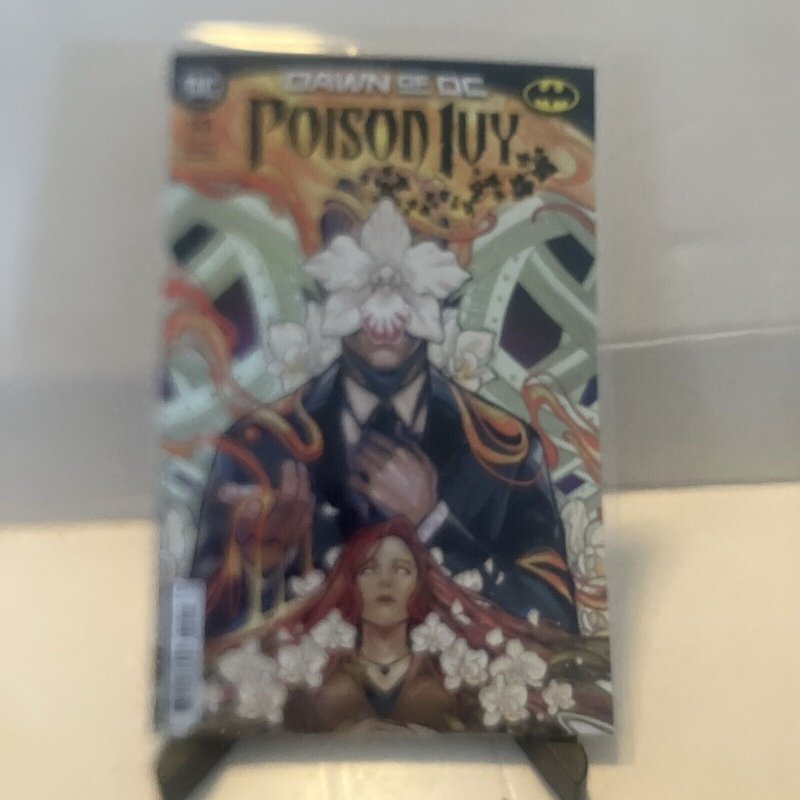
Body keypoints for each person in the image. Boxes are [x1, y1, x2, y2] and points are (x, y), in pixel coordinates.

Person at [191, 199, 578, 636]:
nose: (384, 299)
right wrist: (260, 569)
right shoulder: (258, 444)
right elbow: (193, 633)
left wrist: (435, 525)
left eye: (410, 273)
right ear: (327, 287)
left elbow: (557, 626)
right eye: (360, 274)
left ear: (441, 289)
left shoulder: (506, 449)